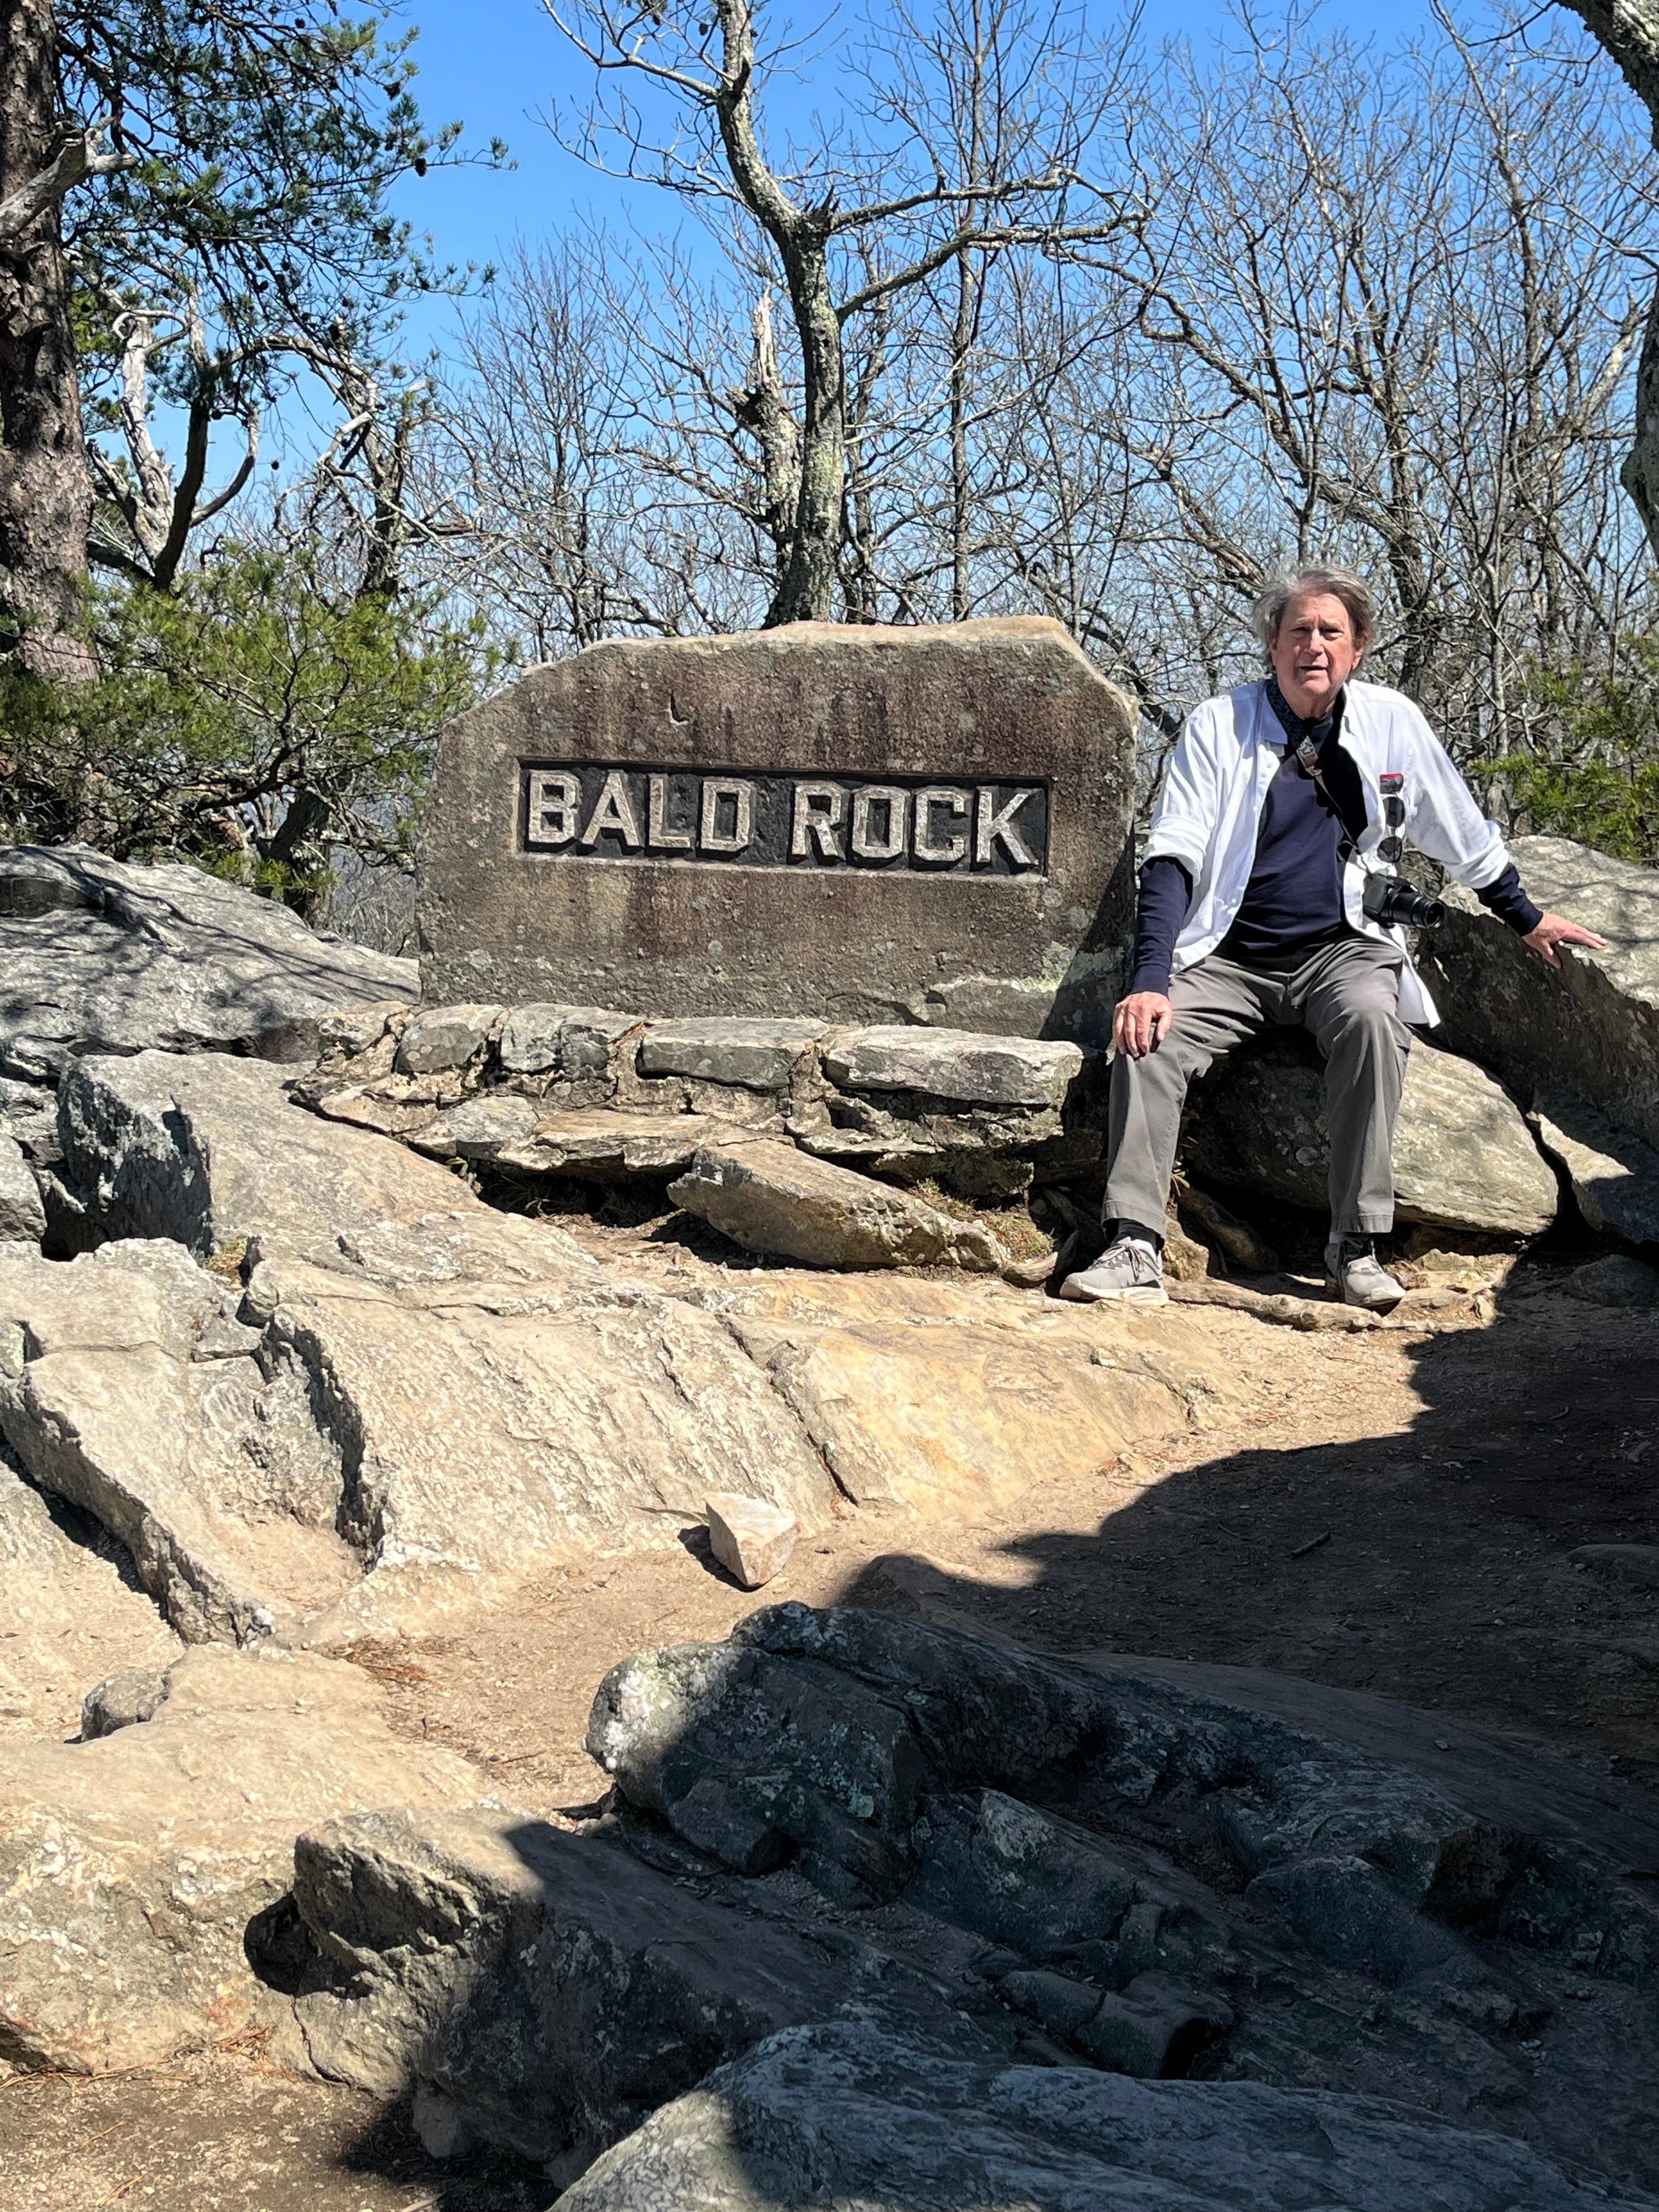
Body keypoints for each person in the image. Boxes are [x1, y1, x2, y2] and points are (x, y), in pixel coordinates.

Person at [1060, 566, 1606, 1312]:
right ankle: (1133, 1245)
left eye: (1330, 633)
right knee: (1149, 1039)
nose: (1312, 646)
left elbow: (1460, 831)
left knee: (1374, 1019)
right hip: (1227, 955)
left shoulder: (1392, 723)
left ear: (1357, 649)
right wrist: (1152, 978)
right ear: (1272, 645)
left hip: (1345, 947)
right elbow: (1172, 858)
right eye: (1297, 632)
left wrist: (1526, 916)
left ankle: (1356, 1248)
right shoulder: (1219, 725)